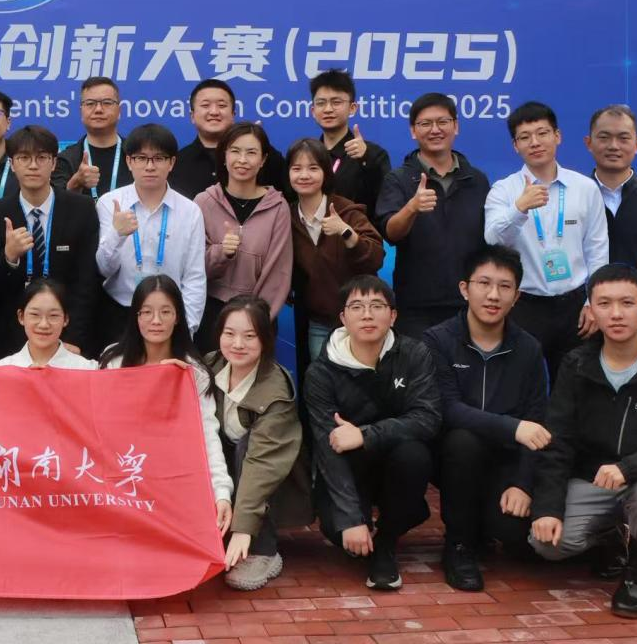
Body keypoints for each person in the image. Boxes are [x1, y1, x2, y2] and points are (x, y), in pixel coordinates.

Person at [421, 245, 548, 592]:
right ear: (465, 289)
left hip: (504, 460)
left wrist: (522, 483)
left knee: (514, 534)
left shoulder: (528, 349)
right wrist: (512, 427)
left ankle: (484, 527)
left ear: (517, 296)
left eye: (505, 287)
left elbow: (536, 421)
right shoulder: (438, 340)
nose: (493, 295)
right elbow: (447, 408)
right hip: (451, 457)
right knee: (464, 440)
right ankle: (459, 545)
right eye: (484, 283)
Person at [303, 276, 442, 591]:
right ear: (343, 318)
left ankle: (387, 543)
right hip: (351, 466)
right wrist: (351, 519)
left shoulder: (414, 354)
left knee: (415, 455)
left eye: (377, 306)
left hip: (396, 461)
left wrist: (366, 434)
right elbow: (327, 448)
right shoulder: (321, 372)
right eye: (357, 307)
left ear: (393, 316)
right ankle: (376, 518)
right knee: (340, 534)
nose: (367, 315)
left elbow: (428, 418)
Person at [530, 264, 637, 620]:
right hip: (592, 479)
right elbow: (558, 440)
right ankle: (609, 536)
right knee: (546, 544)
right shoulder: (576, 364)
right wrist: (548, 508)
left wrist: (629, 467)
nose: (616, 314)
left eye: (627, 303)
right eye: (604, 303)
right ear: (591, 310)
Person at [98, 276, 233, 541]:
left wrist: (221, 492)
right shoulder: (113, 361)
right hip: (124, 474)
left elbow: (207, 434)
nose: (156, 321)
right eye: (146, 312)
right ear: (135, 317)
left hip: (172, 478)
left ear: (178, 317)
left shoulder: (193, 371)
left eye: (165, 312)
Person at [485, 101, 608, 380]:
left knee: (577, 385)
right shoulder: (504, 190)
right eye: (525, 137)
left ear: (557, 136)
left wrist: (594, 301)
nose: (535, 142)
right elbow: (492, 240)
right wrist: (519, 209)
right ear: (515, 146)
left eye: (542, 133)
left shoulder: (585, 188)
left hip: (576, 305)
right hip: (524, 305)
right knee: (519, 383)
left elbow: (597, 249)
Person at [204, 296, 309, 591]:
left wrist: (243, 529)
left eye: (250, 336)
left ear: (266, 339)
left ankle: (263, 549)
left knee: (246, 445)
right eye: (229, 333)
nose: (238, 344)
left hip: (270, 477)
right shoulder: (208, 366)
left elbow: (262, 463)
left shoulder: (276, 388)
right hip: (232, 474)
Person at [0, 126, 101, 356]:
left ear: (54, 163)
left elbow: (87, 282)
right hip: (11, 339)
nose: (33, 165)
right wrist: (9, 258)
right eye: (24, 158)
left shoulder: (81, 209)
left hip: (67, 334)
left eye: (41, 158)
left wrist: (74, 339)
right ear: (12, 164)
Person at [377, 92, 491, 339]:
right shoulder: (398, 179)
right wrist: (412, 208)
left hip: (468, 302)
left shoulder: (477, 180)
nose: (435, 130)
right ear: (413, 131)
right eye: (425, 123)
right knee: (420, 364)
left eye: (442, 122)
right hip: (416, 307)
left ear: (455, 126)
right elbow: (390, 232)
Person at [96, 123, 207, 348]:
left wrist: (186, 329)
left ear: (171, 163)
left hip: (170, 317)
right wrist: (117, 235)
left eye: (158, 158)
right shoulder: (110, 203)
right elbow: (103, 269)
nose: (149, 166)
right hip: (119, 313)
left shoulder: (190, 211)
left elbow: (194, 277)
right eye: (141, 158)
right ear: (129, 161)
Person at [287, 138, 385, 384]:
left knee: (363, 389)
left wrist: (346, 232)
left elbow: (376, 256)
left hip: (359, 320)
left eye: (313, 168)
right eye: (296, 168)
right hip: (319, 323)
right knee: (322, 387)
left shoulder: (346, 210)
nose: (304, 175)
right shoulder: (286, 216)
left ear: (325, 172)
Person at [194, 122, 291, 352]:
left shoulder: (278, 207)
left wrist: (257, 319)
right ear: (224, 156)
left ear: (263, 159)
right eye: (235, 151)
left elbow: (278, 273)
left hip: (259, 316)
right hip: (211, 313)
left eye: (251, 153)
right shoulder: (203, 202)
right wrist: (221, 252)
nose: (242, 160)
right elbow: (192, 268)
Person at [309, 70, 391, 222]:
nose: (328, 109)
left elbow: (383, 201)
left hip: (357, 234)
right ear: (313, 111)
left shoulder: (373, 154)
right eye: (321, 103)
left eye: (336, 102)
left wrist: (365, 160)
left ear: (352, 108)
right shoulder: (307, 155)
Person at [585, 105, 637, 278]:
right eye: (604, 137)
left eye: (623, 138)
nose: (613, 146)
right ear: (589, 143)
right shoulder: (575, 197)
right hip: (585, 296)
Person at [51, 76, 132, 198]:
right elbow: (54, 206)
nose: (98, 109)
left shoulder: (136, 156)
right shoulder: (65, 160)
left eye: (107, 103)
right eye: (90, 103)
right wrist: (75, 184)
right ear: (81, 111)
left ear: (119, 110)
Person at [0, 279, 97, 368]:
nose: (44, 325)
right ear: (21, 316)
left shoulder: (87, 369)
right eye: (35, 314)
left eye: (53, 315)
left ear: (65, 319)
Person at [170, 79, 236, 200]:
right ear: (192, 116)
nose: (214, 112)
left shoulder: (256, 158)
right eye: (205, 105)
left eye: (221, 105)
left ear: (233, 115)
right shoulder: (175, 164)